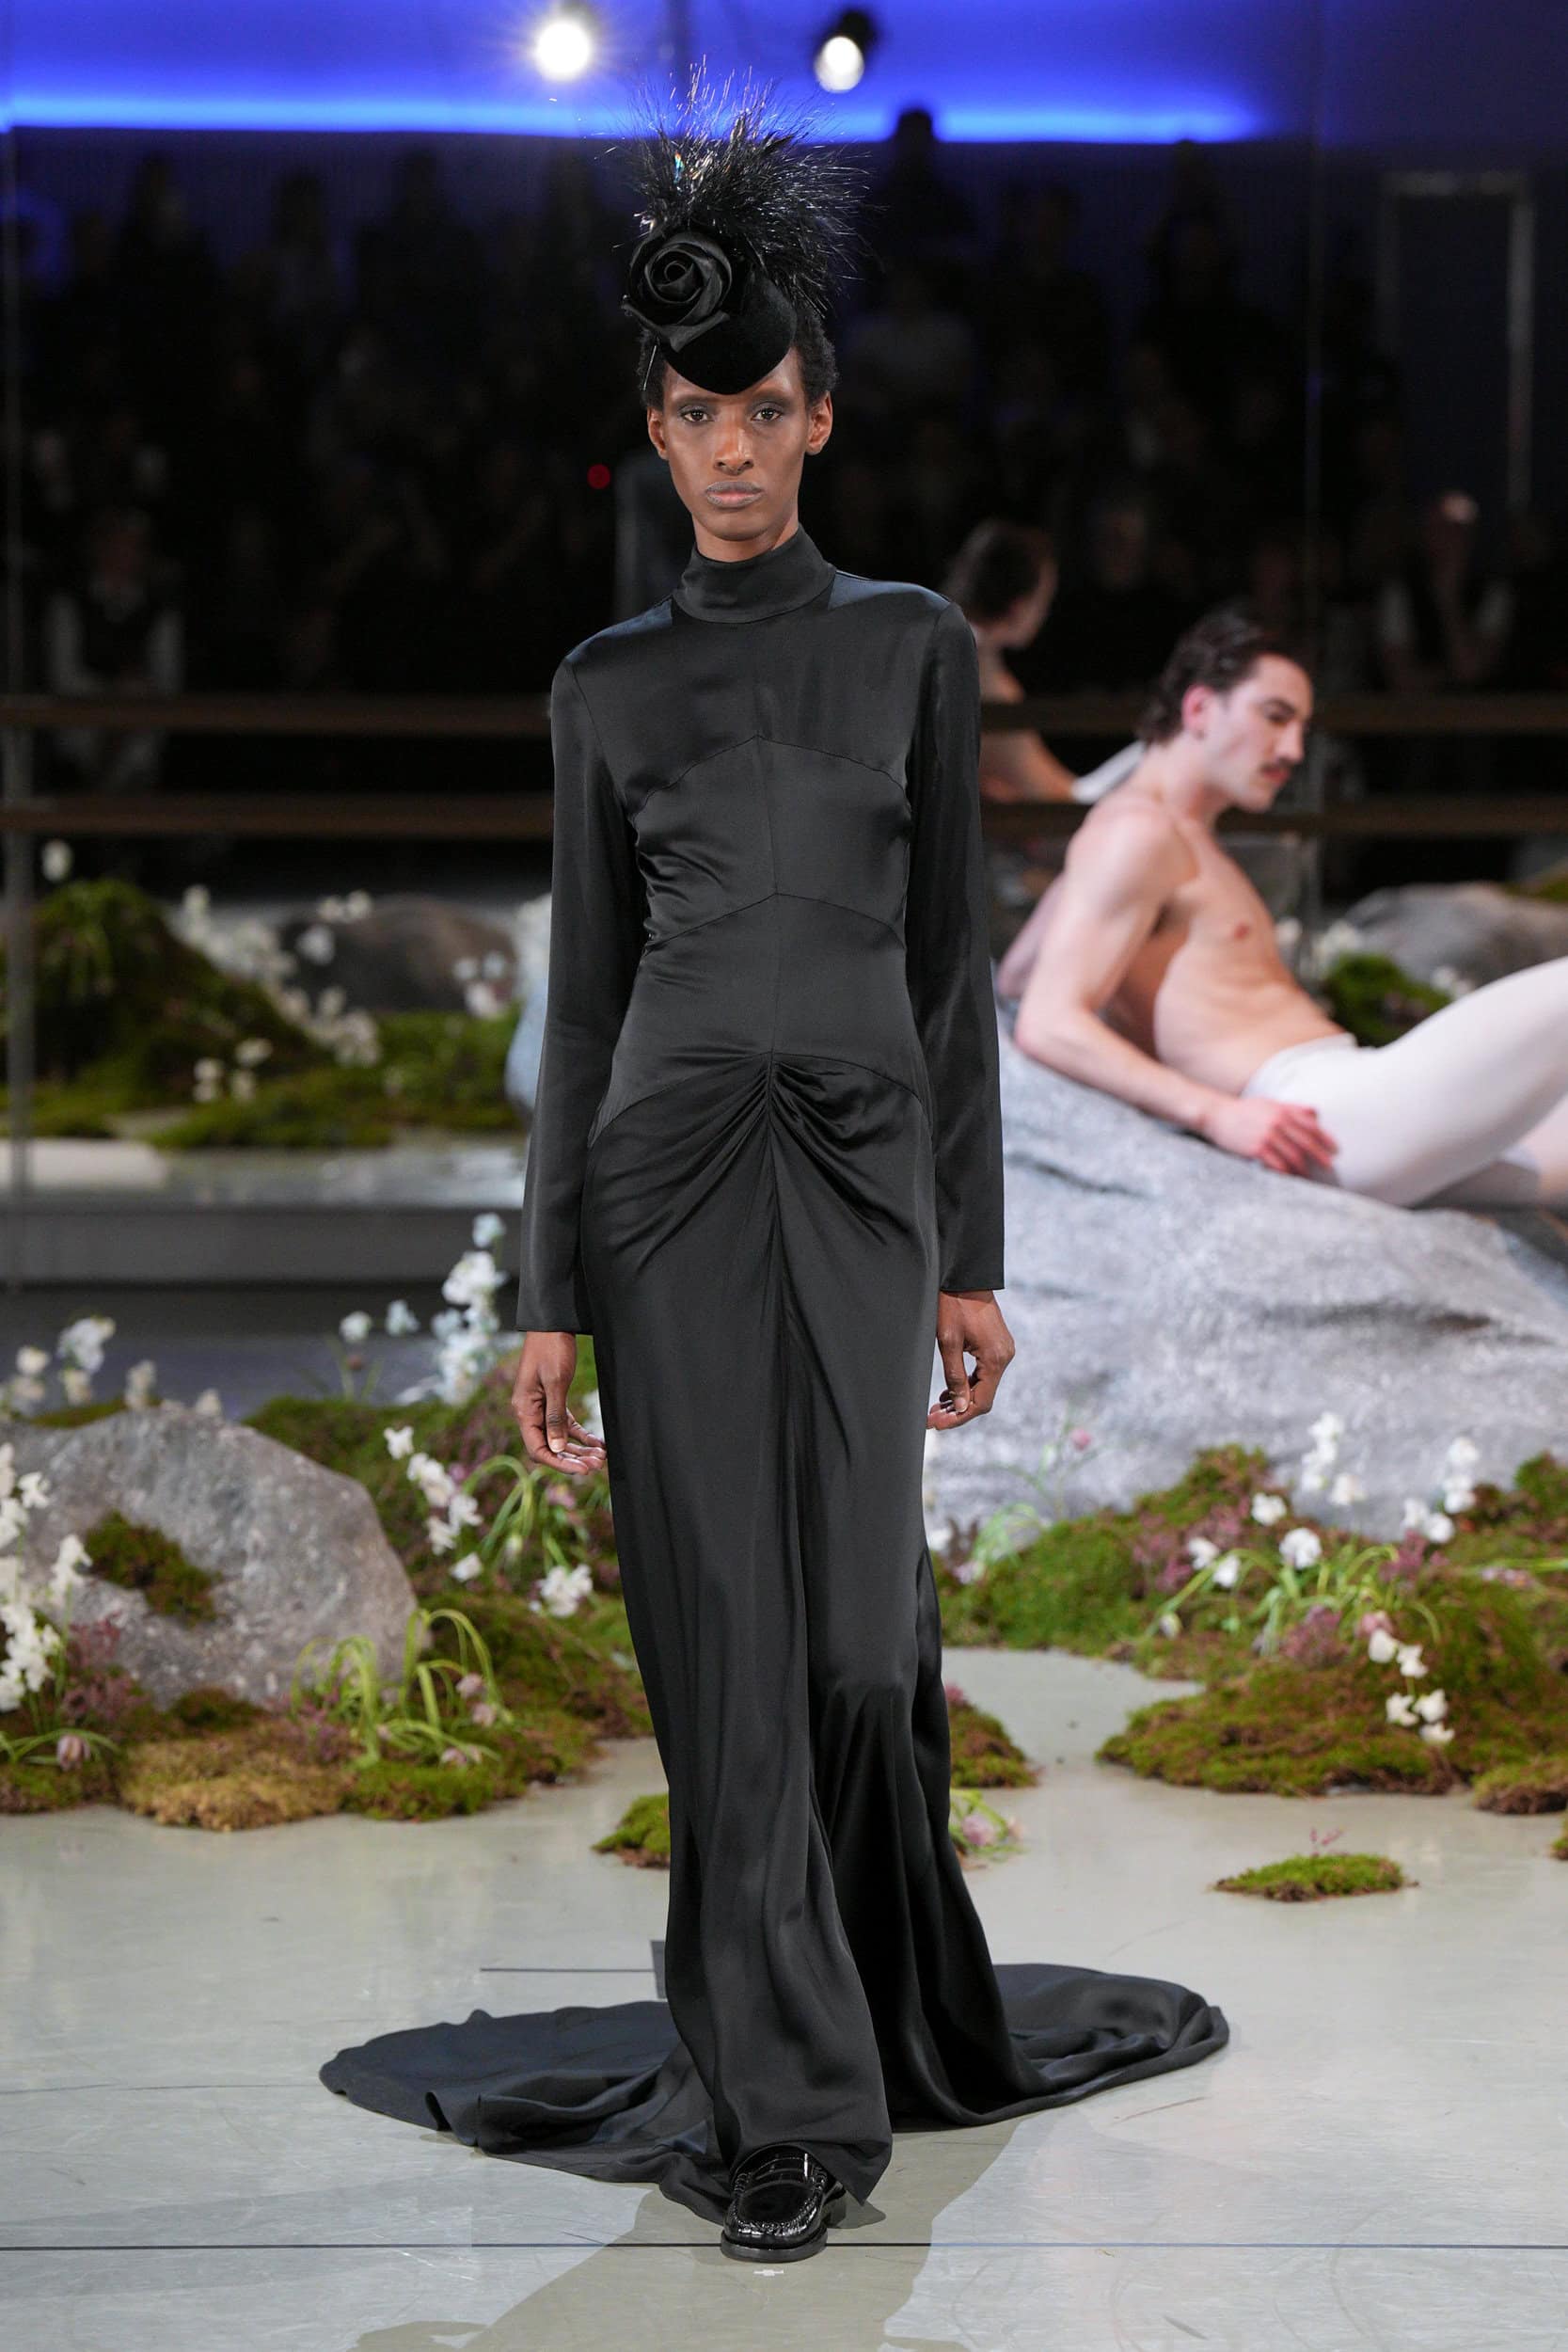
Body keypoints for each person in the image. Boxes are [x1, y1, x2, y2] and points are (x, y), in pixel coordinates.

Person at [319, 87, 1228, 2267]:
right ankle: (785, 2109)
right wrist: (549, 1285)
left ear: (819, 420)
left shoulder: (912, 647)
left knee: (847, 1643)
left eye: (763, 412)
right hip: (659, 1190)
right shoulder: (602, 689)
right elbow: (584, 1004)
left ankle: (862, 2007)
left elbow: (943, 978)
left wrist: (971, 1254)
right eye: (693, 416)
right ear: (654, 436)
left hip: (865, 1185)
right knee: (720, 1643)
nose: (729, 450)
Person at [1006, 606, 1568, 1209]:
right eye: (1275, 717)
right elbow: (1047, 1022)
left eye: (1300, 727)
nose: (1294, 749)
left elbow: (1015, 977)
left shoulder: (1157, 837)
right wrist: (1216, 1114)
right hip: (1322, 1115)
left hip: (1347, 1109)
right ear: (1199, 708)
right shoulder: (1137, 831)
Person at [942, 519, 1076, 804]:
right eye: (1042, 601)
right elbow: (1035, 784)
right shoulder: (972, 661)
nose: (1044, 614)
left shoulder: (948, 640)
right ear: (1019, 604)